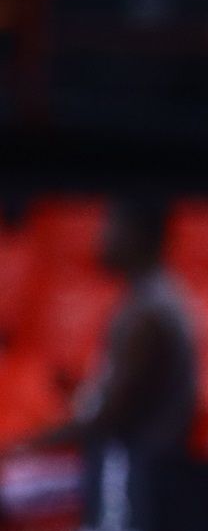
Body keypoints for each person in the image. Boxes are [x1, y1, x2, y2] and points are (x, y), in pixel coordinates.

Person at [11, 198, 198, 461]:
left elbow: (107, 417)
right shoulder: (153, 297)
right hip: (133, 460)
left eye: (111, 225)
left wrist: (27, 447)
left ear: (137, 234)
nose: (102, 236)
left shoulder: (148, 313)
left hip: (135, 466)